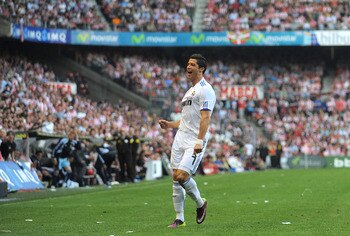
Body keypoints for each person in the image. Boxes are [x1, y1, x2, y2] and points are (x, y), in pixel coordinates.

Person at [158, 54, 216, 228]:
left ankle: (200, 203)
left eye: (192, 64)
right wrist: (169, 125)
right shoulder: (189, 92)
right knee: (175, 179)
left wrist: (199, 141)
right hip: (180, 138)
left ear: (201, 69)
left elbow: (205, 118)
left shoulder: (206, 90)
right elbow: (185, 120)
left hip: (193, 140)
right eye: (187, 64)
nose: (188, 67)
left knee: (182, 176)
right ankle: (179, 218)